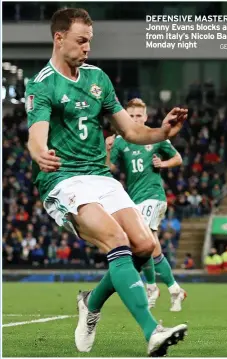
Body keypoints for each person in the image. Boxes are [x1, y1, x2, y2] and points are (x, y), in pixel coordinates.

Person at [25, 8, 188, 356]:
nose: (87, 48)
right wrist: (40, 152)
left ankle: (91, 302)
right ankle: (152, 331)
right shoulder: (42, 83)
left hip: (101, 176)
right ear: (59, 38)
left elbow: (129, 130)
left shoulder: (98, 78)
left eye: (90, 41)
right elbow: (36, 135)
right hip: (64, 180)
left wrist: (163, 131)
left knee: (145, 246)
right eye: (81, 40)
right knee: (116, 239)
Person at [106, 98, 187, 312]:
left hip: (153, 196)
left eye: (138, 116)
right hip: (133, 199)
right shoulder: (121, 141)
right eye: (131, 116)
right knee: (152, 246)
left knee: (142, 242)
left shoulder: (155, 136)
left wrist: (164, 163)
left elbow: (178, 158)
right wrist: (107, 149)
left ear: (146, 117)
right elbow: (109, 168)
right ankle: (174, 288)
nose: (135, 119)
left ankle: (151, 287)